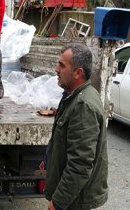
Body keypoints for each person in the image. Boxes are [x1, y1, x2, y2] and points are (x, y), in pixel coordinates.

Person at [44, 44, 108, 210]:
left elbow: (80, 165)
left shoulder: (82, 106)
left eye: (62, 65)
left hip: (75, 201)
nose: (56, 69)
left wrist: (58, 203)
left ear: (78, 73)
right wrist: (49, 160)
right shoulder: (75, 95)